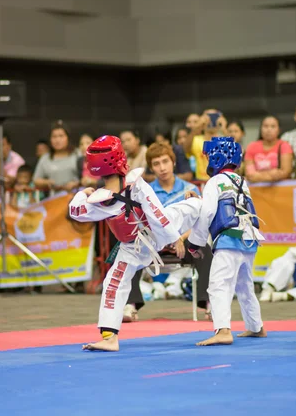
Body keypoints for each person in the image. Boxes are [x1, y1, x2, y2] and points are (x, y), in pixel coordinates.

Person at [69, 135, 202, 352]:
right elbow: (157, 213)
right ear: (120, 159)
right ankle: (109, 337)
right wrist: (172, 238)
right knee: (191, 208)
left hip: (135, 245)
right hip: (153, 235)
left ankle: (109, 337)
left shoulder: (98, 201)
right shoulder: (135, 185)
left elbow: (75, 211)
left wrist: (81, 194)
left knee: (114, 283)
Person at [187, 137, 266, 346]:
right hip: (249, 239)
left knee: (218, 285)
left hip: (229, 239)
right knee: (244, 285)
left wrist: (195, 243)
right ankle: (256, 326)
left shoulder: (214, 182)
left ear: (216, 158)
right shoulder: (241, 180)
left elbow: (207, 213)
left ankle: (223, 330)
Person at [123, 142, 212, 323]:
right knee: (129, 249)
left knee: (205, 251)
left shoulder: (190, 189)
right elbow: (140, 224)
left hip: (183, 240)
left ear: (173, 162)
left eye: (165, 161)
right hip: (154, 241)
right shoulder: (144, 192)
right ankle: (131, 305)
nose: (162, 168)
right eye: (156, 164)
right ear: (151, 167)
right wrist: (164, 238)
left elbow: (198, 223)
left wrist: (179, 238)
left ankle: (210, 303)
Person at [34, 121, 80, 193]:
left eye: (61, 136)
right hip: (54, 200)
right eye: (54, 136)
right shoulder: (45, 158)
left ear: (68, 138)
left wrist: (76, 183)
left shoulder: (78, 154)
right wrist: (47, 182)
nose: (57, 140)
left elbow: (88, 176)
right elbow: (36, 180)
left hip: (77, 198)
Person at [244, 116, 293, 182]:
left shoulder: (285, 145)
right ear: (261, 129)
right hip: (256, 189)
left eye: (273, 126)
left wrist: (258, 176)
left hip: (281, 189)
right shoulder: (252, 146)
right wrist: (272, 174)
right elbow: (250, 174)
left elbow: (286, 172)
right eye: (265, 126)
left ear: (279, 130)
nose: (269, 129)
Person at [183, 109, 228, 181]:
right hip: (201, 181)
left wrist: (224, 129)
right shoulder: (196, 139)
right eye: (207, 117)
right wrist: (197, 126)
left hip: (220, 180)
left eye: (214, 116)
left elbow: (234, 153)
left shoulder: (224, 139)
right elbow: (186, 149)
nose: (211, 120)